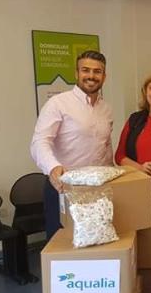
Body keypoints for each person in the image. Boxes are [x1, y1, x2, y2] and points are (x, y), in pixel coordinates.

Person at [30, 50, 113, 240]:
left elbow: (106, 146)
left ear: (104, 76)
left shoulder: (106, 109)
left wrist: (111, 173)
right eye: (85, 70)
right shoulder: (58, 103)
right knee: (63, 245)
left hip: (97, 189)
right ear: (76, 73)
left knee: (97, 241)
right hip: (63, 187)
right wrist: (53, 167)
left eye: (97, 71)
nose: (91, 76)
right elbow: (40, 141)